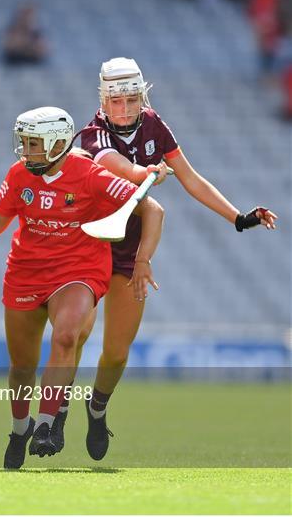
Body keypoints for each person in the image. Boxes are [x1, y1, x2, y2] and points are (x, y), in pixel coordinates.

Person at [51, 57, 278, 461]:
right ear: (103, 100)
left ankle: (97, 408)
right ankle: (56, 417)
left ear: (143, 96)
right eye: (115, 101)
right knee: (74, 335)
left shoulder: (154, 124)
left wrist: (238, 218)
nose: (123, 109)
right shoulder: (91, 137)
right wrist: (146, 171)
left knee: (117, 352)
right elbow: (119, 169)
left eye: (131, 99)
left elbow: (190, 177)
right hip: (86, 250)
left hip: (130, 254)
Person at [0, 106, 165, 469]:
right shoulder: (19, 175)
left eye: (34, 143)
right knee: (22, 366)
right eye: (25, 142)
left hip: (78, 270)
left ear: (58, 143)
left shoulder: (90, 175)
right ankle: (21, 429)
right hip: (26, 271)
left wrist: (142, 260)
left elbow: (152, 210)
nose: (26, 150)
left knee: (66, 337)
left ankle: (47, 424)